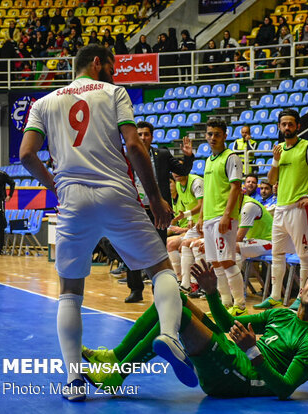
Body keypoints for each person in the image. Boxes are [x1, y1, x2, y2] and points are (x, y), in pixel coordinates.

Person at [19, 44, 189, 401]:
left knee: (69, 291)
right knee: (161, 269)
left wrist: (54, 185)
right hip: (116, 193)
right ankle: (171, 336)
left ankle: (74, 380)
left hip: (72, 201)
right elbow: (133, 145)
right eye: (111, 65)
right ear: (97, 63)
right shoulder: (114, 92)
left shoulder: (43, 103)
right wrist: (156, 198)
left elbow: (26, 154)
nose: (114, 71)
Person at [81, 262, 308, 399]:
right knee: (174, 299)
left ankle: (116, 377)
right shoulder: (281, 313)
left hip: (239, 379)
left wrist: (252, 351)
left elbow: (285, 389)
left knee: (177, 316)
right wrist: (212, 292)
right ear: (301, 291)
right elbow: (227, 325)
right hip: (234, 354)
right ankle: (116, 356)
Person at [256, 109, 308, 311]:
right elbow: (271, 180)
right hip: (280, 208)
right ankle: (274, 296)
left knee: (304, 256)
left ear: (298, 126)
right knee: (277, 254)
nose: (287, 128)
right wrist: (275, 161)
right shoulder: (279, 149)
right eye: (283, 124)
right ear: (279, 127)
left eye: (291, 124)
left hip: (300, 209)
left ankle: (302, 297)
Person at [124, 121, 194, 303]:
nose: (143, 138)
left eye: (146, 134)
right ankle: (136, 289)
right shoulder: (127, 156)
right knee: (132, 249)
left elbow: (183, 170)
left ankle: (159, 289)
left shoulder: (161, 154)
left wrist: (188, 157)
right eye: (139, 134)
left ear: (152, 136)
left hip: (159, 212)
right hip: (135, 209)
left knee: (159, 252)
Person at [196, 118, 245, 316]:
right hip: (209, 217)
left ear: (225, 135)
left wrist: (226, 215)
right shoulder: (208, 160)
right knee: (215, 263)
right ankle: (225, 304)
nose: (213, 138)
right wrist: (201, 217)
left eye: (217, 134)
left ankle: (240, 305)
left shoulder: (231, 157)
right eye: (210, 134)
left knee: (227, 261)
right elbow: (207, 191)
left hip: (223, 218)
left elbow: (236, 188)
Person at [166, 172, 203, 293]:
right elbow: (189, 205)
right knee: (176, 245)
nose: (176, 173)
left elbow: (202, 204)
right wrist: (190, 218)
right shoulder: (179, 185)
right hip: (195, 223)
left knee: (193, 245)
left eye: (179, 170)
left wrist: (190, 217)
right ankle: (183, 282)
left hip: (205, 221)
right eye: (174, 171)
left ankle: (198, 284)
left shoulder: (196, 182)